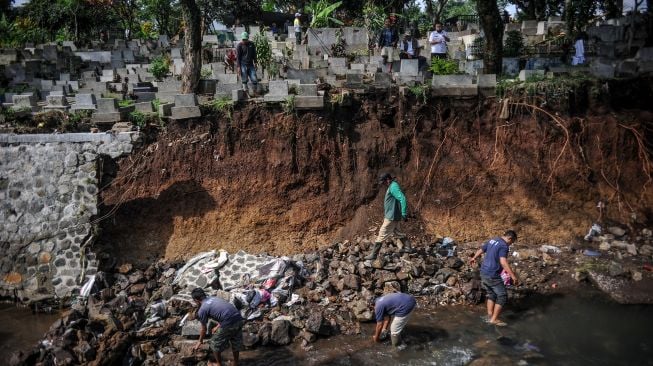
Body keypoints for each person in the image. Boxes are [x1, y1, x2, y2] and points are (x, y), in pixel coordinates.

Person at [469, 230, 519, 327]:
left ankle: (489, 315)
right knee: (502, 296)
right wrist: (513, 276)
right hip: (492, 274)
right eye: (511, 242)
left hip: (483, 272)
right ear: (510, 238)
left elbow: (482, 249)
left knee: (491, 293)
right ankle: (494, 319)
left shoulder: (493, 239)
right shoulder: (504, 246)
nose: (510, 244)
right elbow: (503, 262)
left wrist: (474, 257)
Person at [365, 173, 413, 260]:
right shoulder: (393, 185)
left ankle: (374, 254)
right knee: (398, 232)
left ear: (387, 179)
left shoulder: (393, 187)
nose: (383, 184)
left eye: (383, 182)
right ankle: (408, 247)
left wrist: (404, 213)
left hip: (391, 217)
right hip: (393, 215)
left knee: (382, 233)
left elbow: (402, 198)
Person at [191, 288, 244, 366]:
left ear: (196, 300)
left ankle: (219, 364)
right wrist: (218, 326)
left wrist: (200, 341)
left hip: (228, 322)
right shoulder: (214, 298)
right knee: (235, 341)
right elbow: (224, 312)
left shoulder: (202, 310)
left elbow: (204, 329)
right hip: (239, 319)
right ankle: (235, 363)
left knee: (214, 344)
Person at [236, 31, 258, 96]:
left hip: (250, 64)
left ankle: (255, 92)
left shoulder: (252, 44)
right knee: (244, 79)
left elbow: (254, 54)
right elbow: (238, 57)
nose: (244, 41)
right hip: (243, 64)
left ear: (248, 38)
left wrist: (256, 62)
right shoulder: (239, 46)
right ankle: (246, 93)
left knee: (254, 78)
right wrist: (238, 67)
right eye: (243, 39)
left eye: (245, 39)